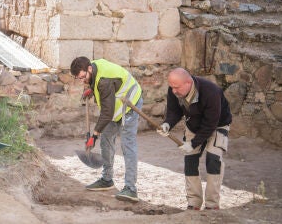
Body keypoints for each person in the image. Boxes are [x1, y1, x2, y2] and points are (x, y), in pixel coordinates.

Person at [157, 68, 232, 210]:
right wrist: (167, 124)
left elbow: (210, 124)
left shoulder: (211, 92)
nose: (173, 91)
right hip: (193, 125)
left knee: (213, 159)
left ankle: (212, 204)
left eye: (177, 87)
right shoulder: (175, 90)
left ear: (188, 82)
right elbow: (174, 111)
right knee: (190, 160)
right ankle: (194, 202)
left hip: (218, 125)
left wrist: (193, 143)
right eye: (171, 87)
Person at [70, 56, 143, 202]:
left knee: (127, 145)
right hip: (116, 105)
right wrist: (91, 89)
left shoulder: (104, 80)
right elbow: (101, 87)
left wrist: (94, 135)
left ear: (89, 68)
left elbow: (107, 113)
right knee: (106, 140)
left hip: (130, 104)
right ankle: (107, 179)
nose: (82, 81)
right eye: (79, 79)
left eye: (83, 77)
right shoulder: (94, 69)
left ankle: (131, 188)